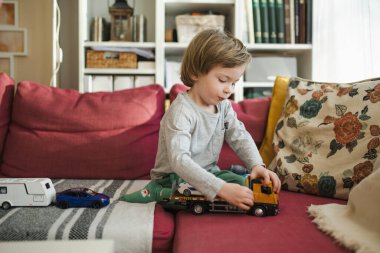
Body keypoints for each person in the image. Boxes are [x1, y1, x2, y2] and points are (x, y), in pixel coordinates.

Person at [120, 29, 280, 211]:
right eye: (223, 80)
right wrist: (221, 189)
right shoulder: (181, 111)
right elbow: (179, 161)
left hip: (208, 173)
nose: (229, 90)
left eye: (234, 83)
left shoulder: (224, 106)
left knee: (243, 185)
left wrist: (257, 165)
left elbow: (239, 136)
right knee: (191, 192)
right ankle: (158, 191)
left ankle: (222, 186)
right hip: (174, 177)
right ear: (196, 73)